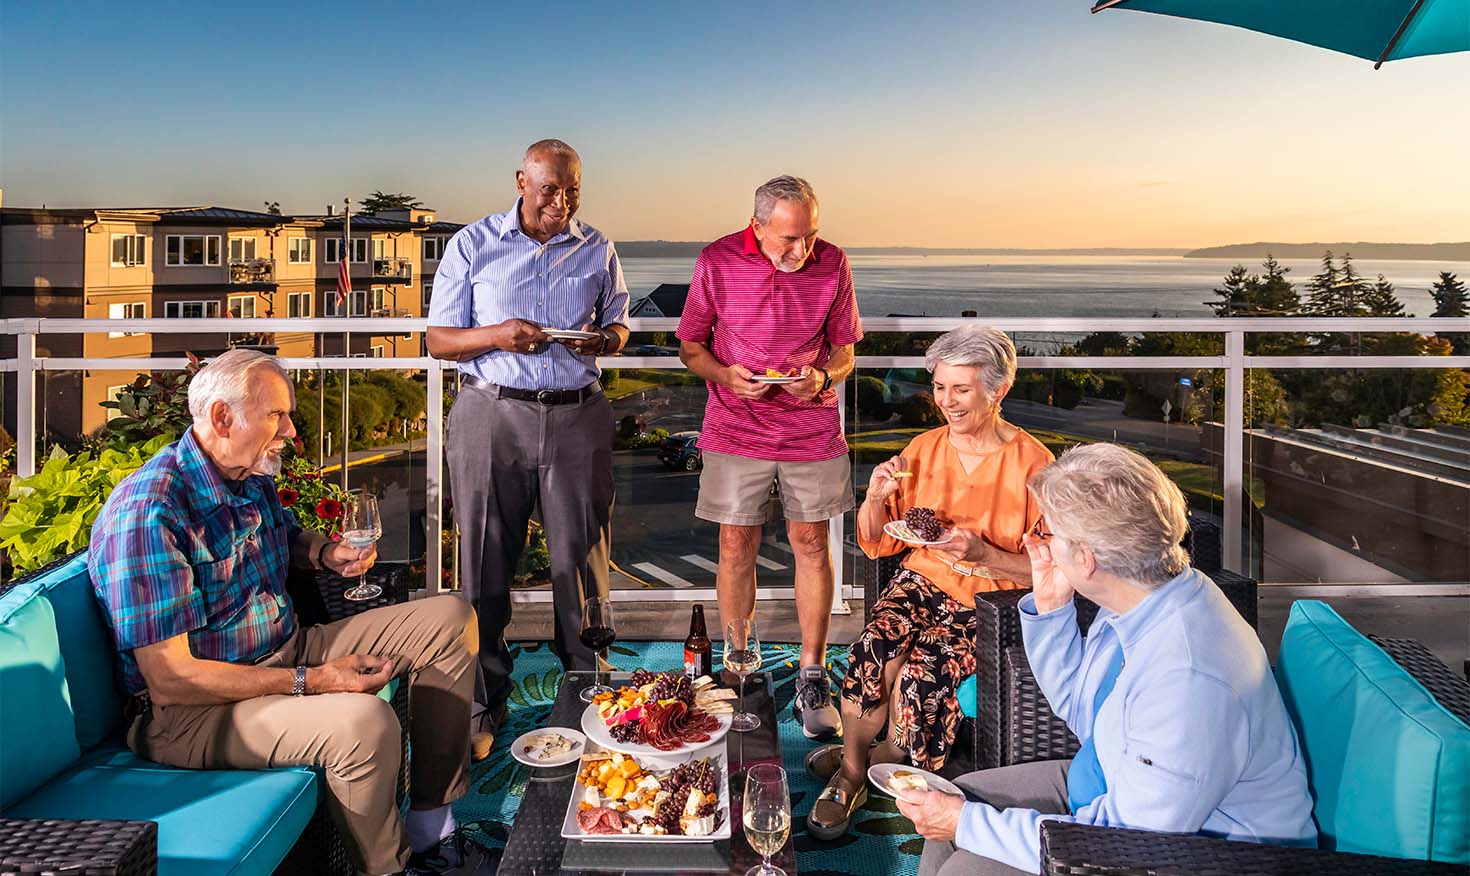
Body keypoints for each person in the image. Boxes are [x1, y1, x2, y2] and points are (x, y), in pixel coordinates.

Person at [88, 349, 483, 876]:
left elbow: (287, 534)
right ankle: (388, 868)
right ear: (223, 418)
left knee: (450, 620)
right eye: (277, 414)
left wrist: (324, 552)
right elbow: (171, 680)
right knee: (364, 722)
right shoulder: (149, 512)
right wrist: (316, 680)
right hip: (191, 712)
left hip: (284, 649)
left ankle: (432, 829)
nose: (291, 431)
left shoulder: (246, 476)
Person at [901, 443, 1317, 876]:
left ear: (1086, 558)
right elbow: (1084, 711)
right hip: (1114, 787)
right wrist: (1052, 609)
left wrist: (966, 824)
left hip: (1202, 855)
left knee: (967, 863)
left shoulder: (1189, 680)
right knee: (959, 799)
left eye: (1048, 531)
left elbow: (1126, 844)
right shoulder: (1148, 593)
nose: (1034, 542)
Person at [805, 325, 1054, 840]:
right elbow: (879, 544)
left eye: (961, 389)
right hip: (921, 580)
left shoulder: (1035, 466)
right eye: (940, 387)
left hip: (987, 601)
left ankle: (884, 755)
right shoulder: (923, 448)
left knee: (920, 676)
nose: (947, 401)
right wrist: (874, 496)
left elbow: (1049, 570)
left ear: (997, 390)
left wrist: (985, 553)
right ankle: (853, 772)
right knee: (875, 647)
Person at [427, 139, 629, 734]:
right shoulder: (472, 243)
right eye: (550, 189)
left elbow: (618, 320)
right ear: (521, 181)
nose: (561, 202)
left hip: (577, 415)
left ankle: (587, 691)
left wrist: (607, 342)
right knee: (485, 563)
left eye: (572, 190)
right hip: (493, 415)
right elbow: (439, 340)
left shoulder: (599, 247)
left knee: (582, 562)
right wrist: (496, 335)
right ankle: (486, 698)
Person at [676, 175, 862, 739]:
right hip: (736, 425)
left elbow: (846, 348)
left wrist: (825, 375)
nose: (801, 250)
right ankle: (737, 663)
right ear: (756, 228)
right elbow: (690, 347)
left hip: (810, 423)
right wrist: (725, 376)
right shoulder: (716, 260)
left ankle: (811, 672)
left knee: (811, 542)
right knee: (736, 544)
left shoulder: (833, 263)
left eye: (809, 236)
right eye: (788, 239)